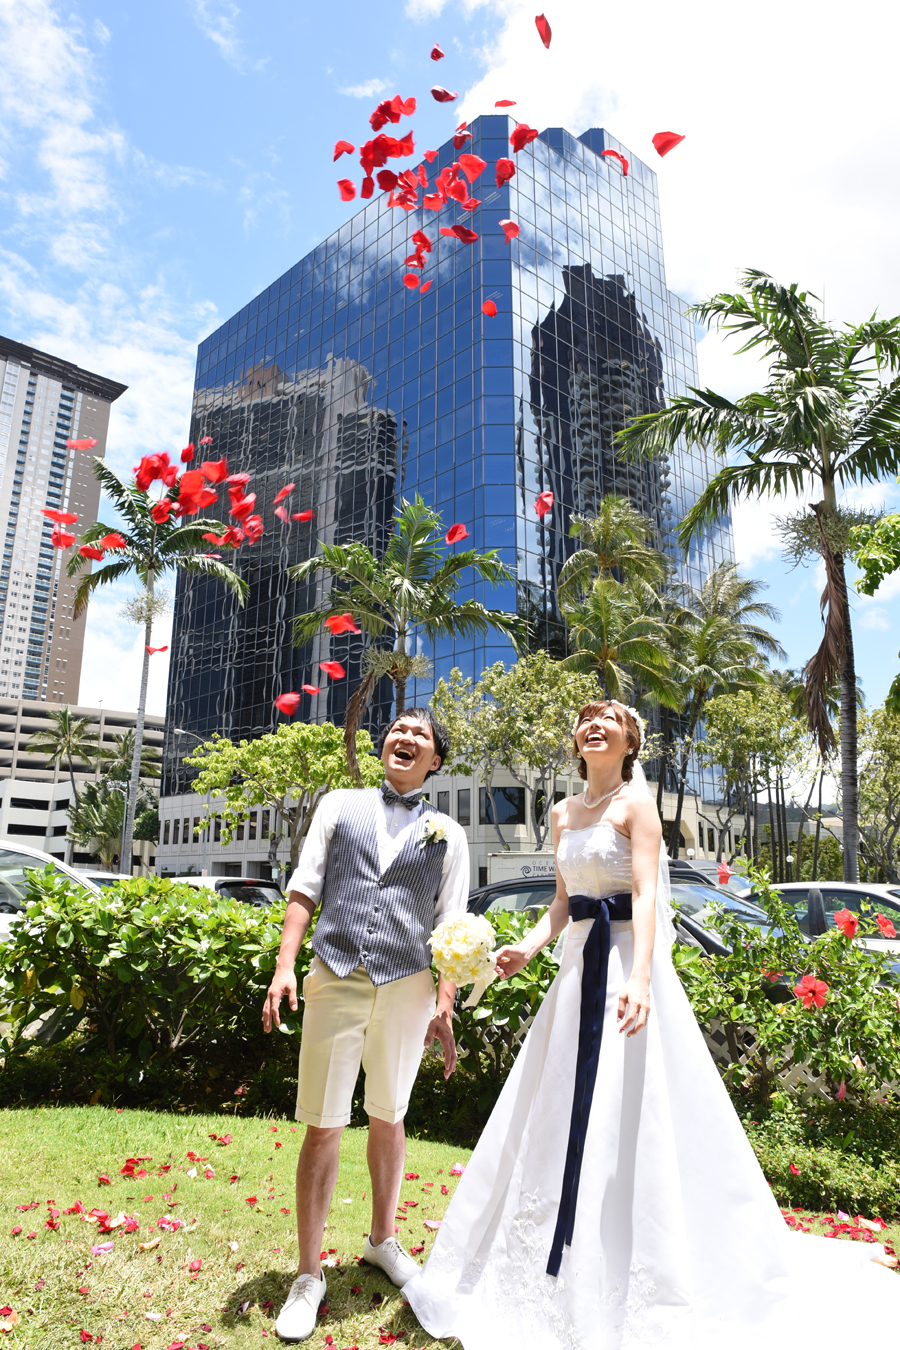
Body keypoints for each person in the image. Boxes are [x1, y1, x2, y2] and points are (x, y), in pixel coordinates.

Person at [403, 700, 900, 1349]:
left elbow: (646, 895)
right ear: (578, 739)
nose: (594, 724)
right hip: (578, 967)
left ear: (630, 740)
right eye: (585, 718)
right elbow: (560, 903)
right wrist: (526, 948)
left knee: (630, 1108)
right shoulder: (563, 814)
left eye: (609, 718)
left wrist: (638, 979)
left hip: (626, 965)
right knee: (559, 1109)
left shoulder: (638, 805)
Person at [263, 707, 469, 1343]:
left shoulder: (448, 833)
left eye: (421, 736)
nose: (404, 738)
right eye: (397, 730)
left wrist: (444, 1001)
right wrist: (286, 965)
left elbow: (452, 925)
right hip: (335, 974)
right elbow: (305, 890)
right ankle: (307, 1275)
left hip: (408, 985)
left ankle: (383, 1239)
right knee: (323, 1125)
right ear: (385, 744)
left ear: (436, 760)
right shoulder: (338, 804)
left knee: (390, 1112)